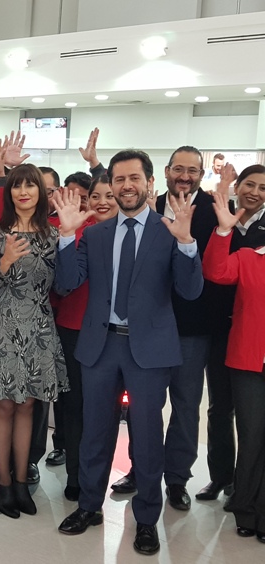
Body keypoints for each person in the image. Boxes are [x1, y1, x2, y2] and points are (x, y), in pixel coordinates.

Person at [54, 149, 203, 556]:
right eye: (118, 179)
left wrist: (188, 242)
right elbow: (67, 282)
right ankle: (88, 506)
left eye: (133, 178)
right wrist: (67, 235)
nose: (126, 186)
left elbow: (191, 291)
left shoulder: (170, 230)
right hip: (101, 347)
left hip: (150, 351)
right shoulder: (98, 234)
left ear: (149, 182)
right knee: (94, 434)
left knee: (147, 440)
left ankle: (147, 519)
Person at [110, 146, 218, 510]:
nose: (185, 176)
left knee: (186, 406)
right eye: (179, 169)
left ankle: (176, 479)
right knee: (142, 408)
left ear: (201, 174)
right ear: (165, 173)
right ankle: (140, 471)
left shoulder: (216, 212)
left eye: (193, 170)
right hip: (144, 330)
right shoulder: (145, 205)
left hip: (190, 328)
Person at [0, 163, 67, 519]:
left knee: (28, 406)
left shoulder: (54, 235)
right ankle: (5, 483)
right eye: (16, 185)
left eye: (31, 185)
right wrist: (5, 263)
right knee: (2, 406)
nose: (23, 191)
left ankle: (22, 482)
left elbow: (61, 286)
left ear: (41, 192)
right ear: (9, 192)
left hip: (39, 327)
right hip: (2, 325)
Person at [199, 163, 265, 503]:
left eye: (262, 188)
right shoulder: (218, 215)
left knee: (253, 419)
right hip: (217, 326)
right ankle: (221, 477)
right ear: (237, 186)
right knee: (220, 407)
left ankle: (247, 484)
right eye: (249, 184)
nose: (254, 192)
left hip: (253, 330)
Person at [54, 174, 118, 502]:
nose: (103, 202)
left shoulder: (131, 235)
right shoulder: (75, 232)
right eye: (96, 196)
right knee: (75, 406)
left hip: (116, 336)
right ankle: (76, 476)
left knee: (106, 412)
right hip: (74, 329)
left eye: (111, 195)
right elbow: (63, 284)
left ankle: (99, 477)